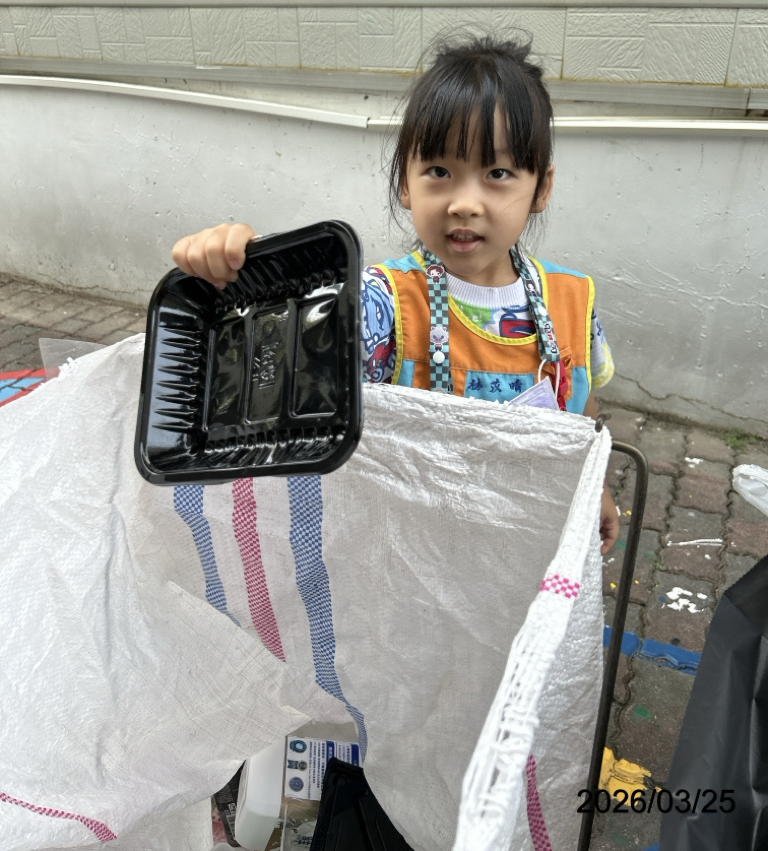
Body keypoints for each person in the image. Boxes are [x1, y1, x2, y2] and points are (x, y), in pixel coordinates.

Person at [171, 35, 620, 554]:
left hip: (529, 547)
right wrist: (235, 280)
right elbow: (281, 361)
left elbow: (581, 411)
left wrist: (596, 486)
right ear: (406, 182)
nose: (464, 203)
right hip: (411, 553)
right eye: (439, 172)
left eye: (498, 173)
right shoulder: (381, 302)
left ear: (541, 187)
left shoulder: (572, 299)